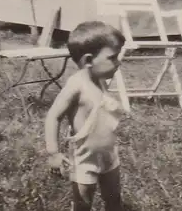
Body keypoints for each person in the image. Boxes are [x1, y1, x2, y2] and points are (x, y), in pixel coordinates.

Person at [45, 21, 127, 211]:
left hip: (108, 154)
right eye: (113, 58)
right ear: (88, 60)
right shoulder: (76, 86)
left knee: (114, 198)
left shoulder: (99, 79)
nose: (119, 62)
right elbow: (53, 116)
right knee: (83, 202)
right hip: (84, 158)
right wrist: (53, 153)